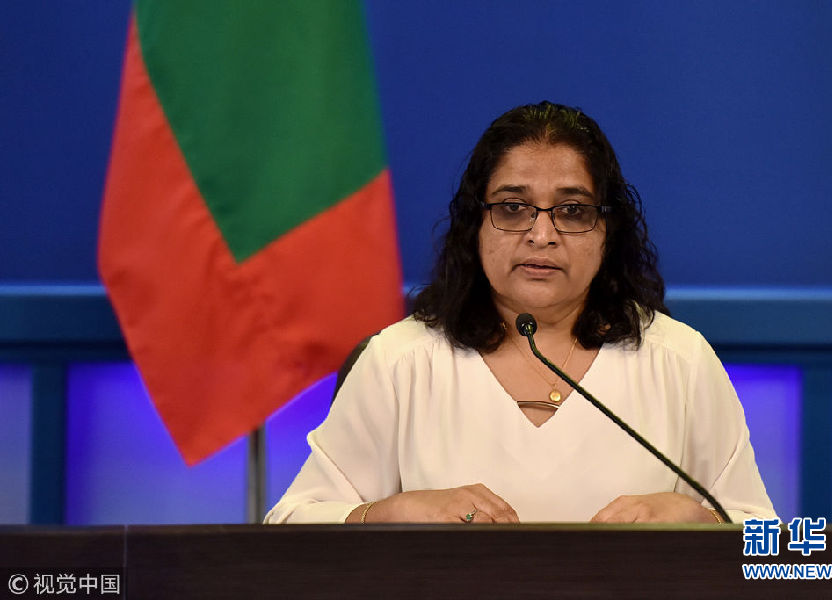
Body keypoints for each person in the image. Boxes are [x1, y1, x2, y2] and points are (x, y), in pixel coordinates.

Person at [266, 101, 777, 524]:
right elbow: (291, 523)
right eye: (513, 207)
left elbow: (766, 543)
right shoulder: (401, 362)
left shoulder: (678, 361)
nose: (541, 234)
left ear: (607, 231)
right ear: (475, 225)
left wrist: (701, 519)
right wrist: (387, 512)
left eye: (572, 210)